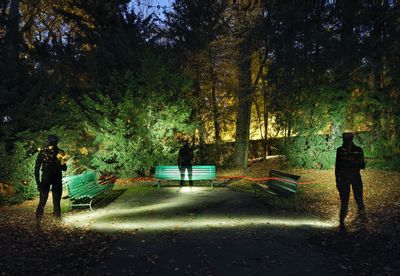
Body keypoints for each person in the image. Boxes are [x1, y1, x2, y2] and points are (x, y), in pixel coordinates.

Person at [335, 132, 366, 232]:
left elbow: (362, 165)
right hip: (344, 178)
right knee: (344, 200)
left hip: (355, 177)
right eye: (345, 139)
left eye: (346, 139)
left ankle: (363, 219)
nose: (345, 141)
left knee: (359, 199)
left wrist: (350, 161)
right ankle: (341, 222)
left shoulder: (358, 150)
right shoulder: (340, 151)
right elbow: (337, 166)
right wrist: (337, 181)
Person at [34, 135, 67, 229]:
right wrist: (38, 183)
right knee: (43, 202)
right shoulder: (43, 152)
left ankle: (55, 224)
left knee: (55, 202)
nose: (53, 143)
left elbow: (64, 168)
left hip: (54, 179)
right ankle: (39, 223)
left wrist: (61, 160)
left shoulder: (60, 152)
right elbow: (36, 168)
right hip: (48, 179)